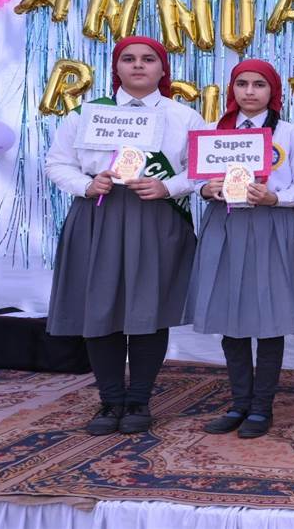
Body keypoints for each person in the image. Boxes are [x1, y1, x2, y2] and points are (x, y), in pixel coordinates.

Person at [45, 36, 205, 435]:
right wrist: (86, 184)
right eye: (128, 59)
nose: (138, 65)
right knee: (100, 308)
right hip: (98, 214)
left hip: (156, 216)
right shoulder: (85, 114)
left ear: (162, 69)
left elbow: (201, 168)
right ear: (116, 67)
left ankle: (139, 400)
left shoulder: (184, 117)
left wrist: (168, 186)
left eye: (148, 59)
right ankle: (110, 399)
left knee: (149, 310)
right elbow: (57, 163)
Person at [188, 60, 294, 439]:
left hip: (269, 225)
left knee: (269, 315)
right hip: (224, 224)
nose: (249, 91)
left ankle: (262, 407)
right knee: (231, 312)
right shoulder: (213, 130)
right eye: (241, 83)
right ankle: (238, 403)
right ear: (232, 89)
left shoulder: (289, 134)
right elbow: (193, 176)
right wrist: (204, 188)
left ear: (273, 91)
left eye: (259, 84)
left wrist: (275, 197)